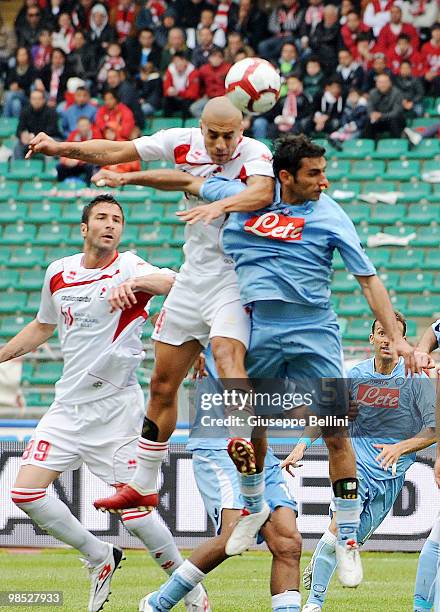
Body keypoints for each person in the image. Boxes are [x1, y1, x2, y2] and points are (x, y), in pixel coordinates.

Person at [91, 135, 420, 606]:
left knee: (335, 432)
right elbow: (184, 179)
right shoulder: (247, 200)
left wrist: (400, 337)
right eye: (314, 173)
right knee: (254, 425)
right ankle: (251, 506)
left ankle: (347, 537)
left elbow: (367, 279)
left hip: (314, 331)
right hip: (260, 326)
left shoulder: (330, 215)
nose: (324, 181)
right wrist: (126, 176)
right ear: (284, 177)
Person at [26, 96, 275, 553]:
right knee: (162, 385)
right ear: (201, 128)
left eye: (229, 136)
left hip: (236, 278)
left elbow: (262, 192)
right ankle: (141, 484)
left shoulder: (256, 153)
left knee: (225, 353)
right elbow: (116, 150)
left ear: (242, 130)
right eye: (212, 135)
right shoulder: (181, 143)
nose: (221, 145)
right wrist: (59, 146)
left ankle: (244, 455)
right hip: (194, 277)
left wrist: (215, 203)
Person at [4, 194, 209, 612]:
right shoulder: (57, 273)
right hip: (68, 407)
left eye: (117, 218)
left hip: (116, 410)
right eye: (101, 217)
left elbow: (176, 284)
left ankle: (191, 590)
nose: (110, 224)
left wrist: (134, 284)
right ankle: (99, 554)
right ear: (85, 228)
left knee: (135, 512)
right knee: (25, 493)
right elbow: (43, 325)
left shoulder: (129, 265)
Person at [284, 311, 435, 612]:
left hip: (390, 477)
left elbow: (434, 429)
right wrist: (301, 445)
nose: (387, 341)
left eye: (394, 335)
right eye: (381, 333)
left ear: (402, 341)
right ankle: (314, 603)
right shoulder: (354, 375)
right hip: (355, 468)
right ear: (372, 338)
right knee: (341, 528)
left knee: (344, 539)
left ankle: (322, 561)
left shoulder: (415, 380)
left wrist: (401, 448)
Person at [14, 89, 59, 159]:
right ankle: (19, 168)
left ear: (44, 100)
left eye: (39, 99)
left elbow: (52, 130)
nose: (36, 101)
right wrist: (22, 135)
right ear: (30, 100)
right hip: (30, 141)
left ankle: (50, 169)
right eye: (34, 99)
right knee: (17, 146)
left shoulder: (51, 112)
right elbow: (19, 130)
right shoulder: (25, 112)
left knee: (50, 146)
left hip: (47, 139)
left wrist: (35, 136)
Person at [364, 73, 406, 139]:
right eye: (380, 82)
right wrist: (372, 114)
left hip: (392, 119)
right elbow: (369, 108)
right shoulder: (372, 92)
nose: (382, 85)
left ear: (390, 83)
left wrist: (381, 115)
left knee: (394, 119)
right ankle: (369, 144)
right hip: (378, 120)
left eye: (385, 82)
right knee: (368, 120)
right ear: (376, 84)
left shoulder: (397, 93)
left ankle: (395, 143)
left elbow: (396, 112)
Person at [162, 52, 199, 118]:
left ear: (186, 61)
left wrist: (179, 93)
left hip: (187, 99)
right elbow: (166, 89)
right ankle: (167, 123)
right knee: (166, 101)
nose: (177, 64)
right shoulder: (170, 69)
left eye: (180, 61)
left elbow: (193, 94)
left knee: (187, 104)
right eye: (175, 62)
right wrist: (169, 91)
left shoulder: (193, 72)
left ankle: (186, 124)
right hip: (175, 97)